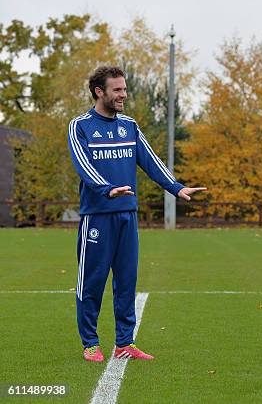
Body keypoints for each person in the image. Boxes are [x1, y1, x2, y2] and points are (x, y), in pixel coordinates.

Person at [68, 66, 206, 362]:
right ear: (99, 92)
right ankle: (90, 343)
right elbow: (81, 164)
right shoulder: (80, 126)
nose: (124, 95)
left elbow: (150, 159)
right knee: (91, 283)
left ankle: (124, 343)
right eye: (117, 90)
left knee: (127, 282)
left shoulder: (129, 126)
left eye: (125, 89)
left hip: (127, 216)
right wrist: (107, 189)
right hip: (97, 217)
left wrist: (176, 187)